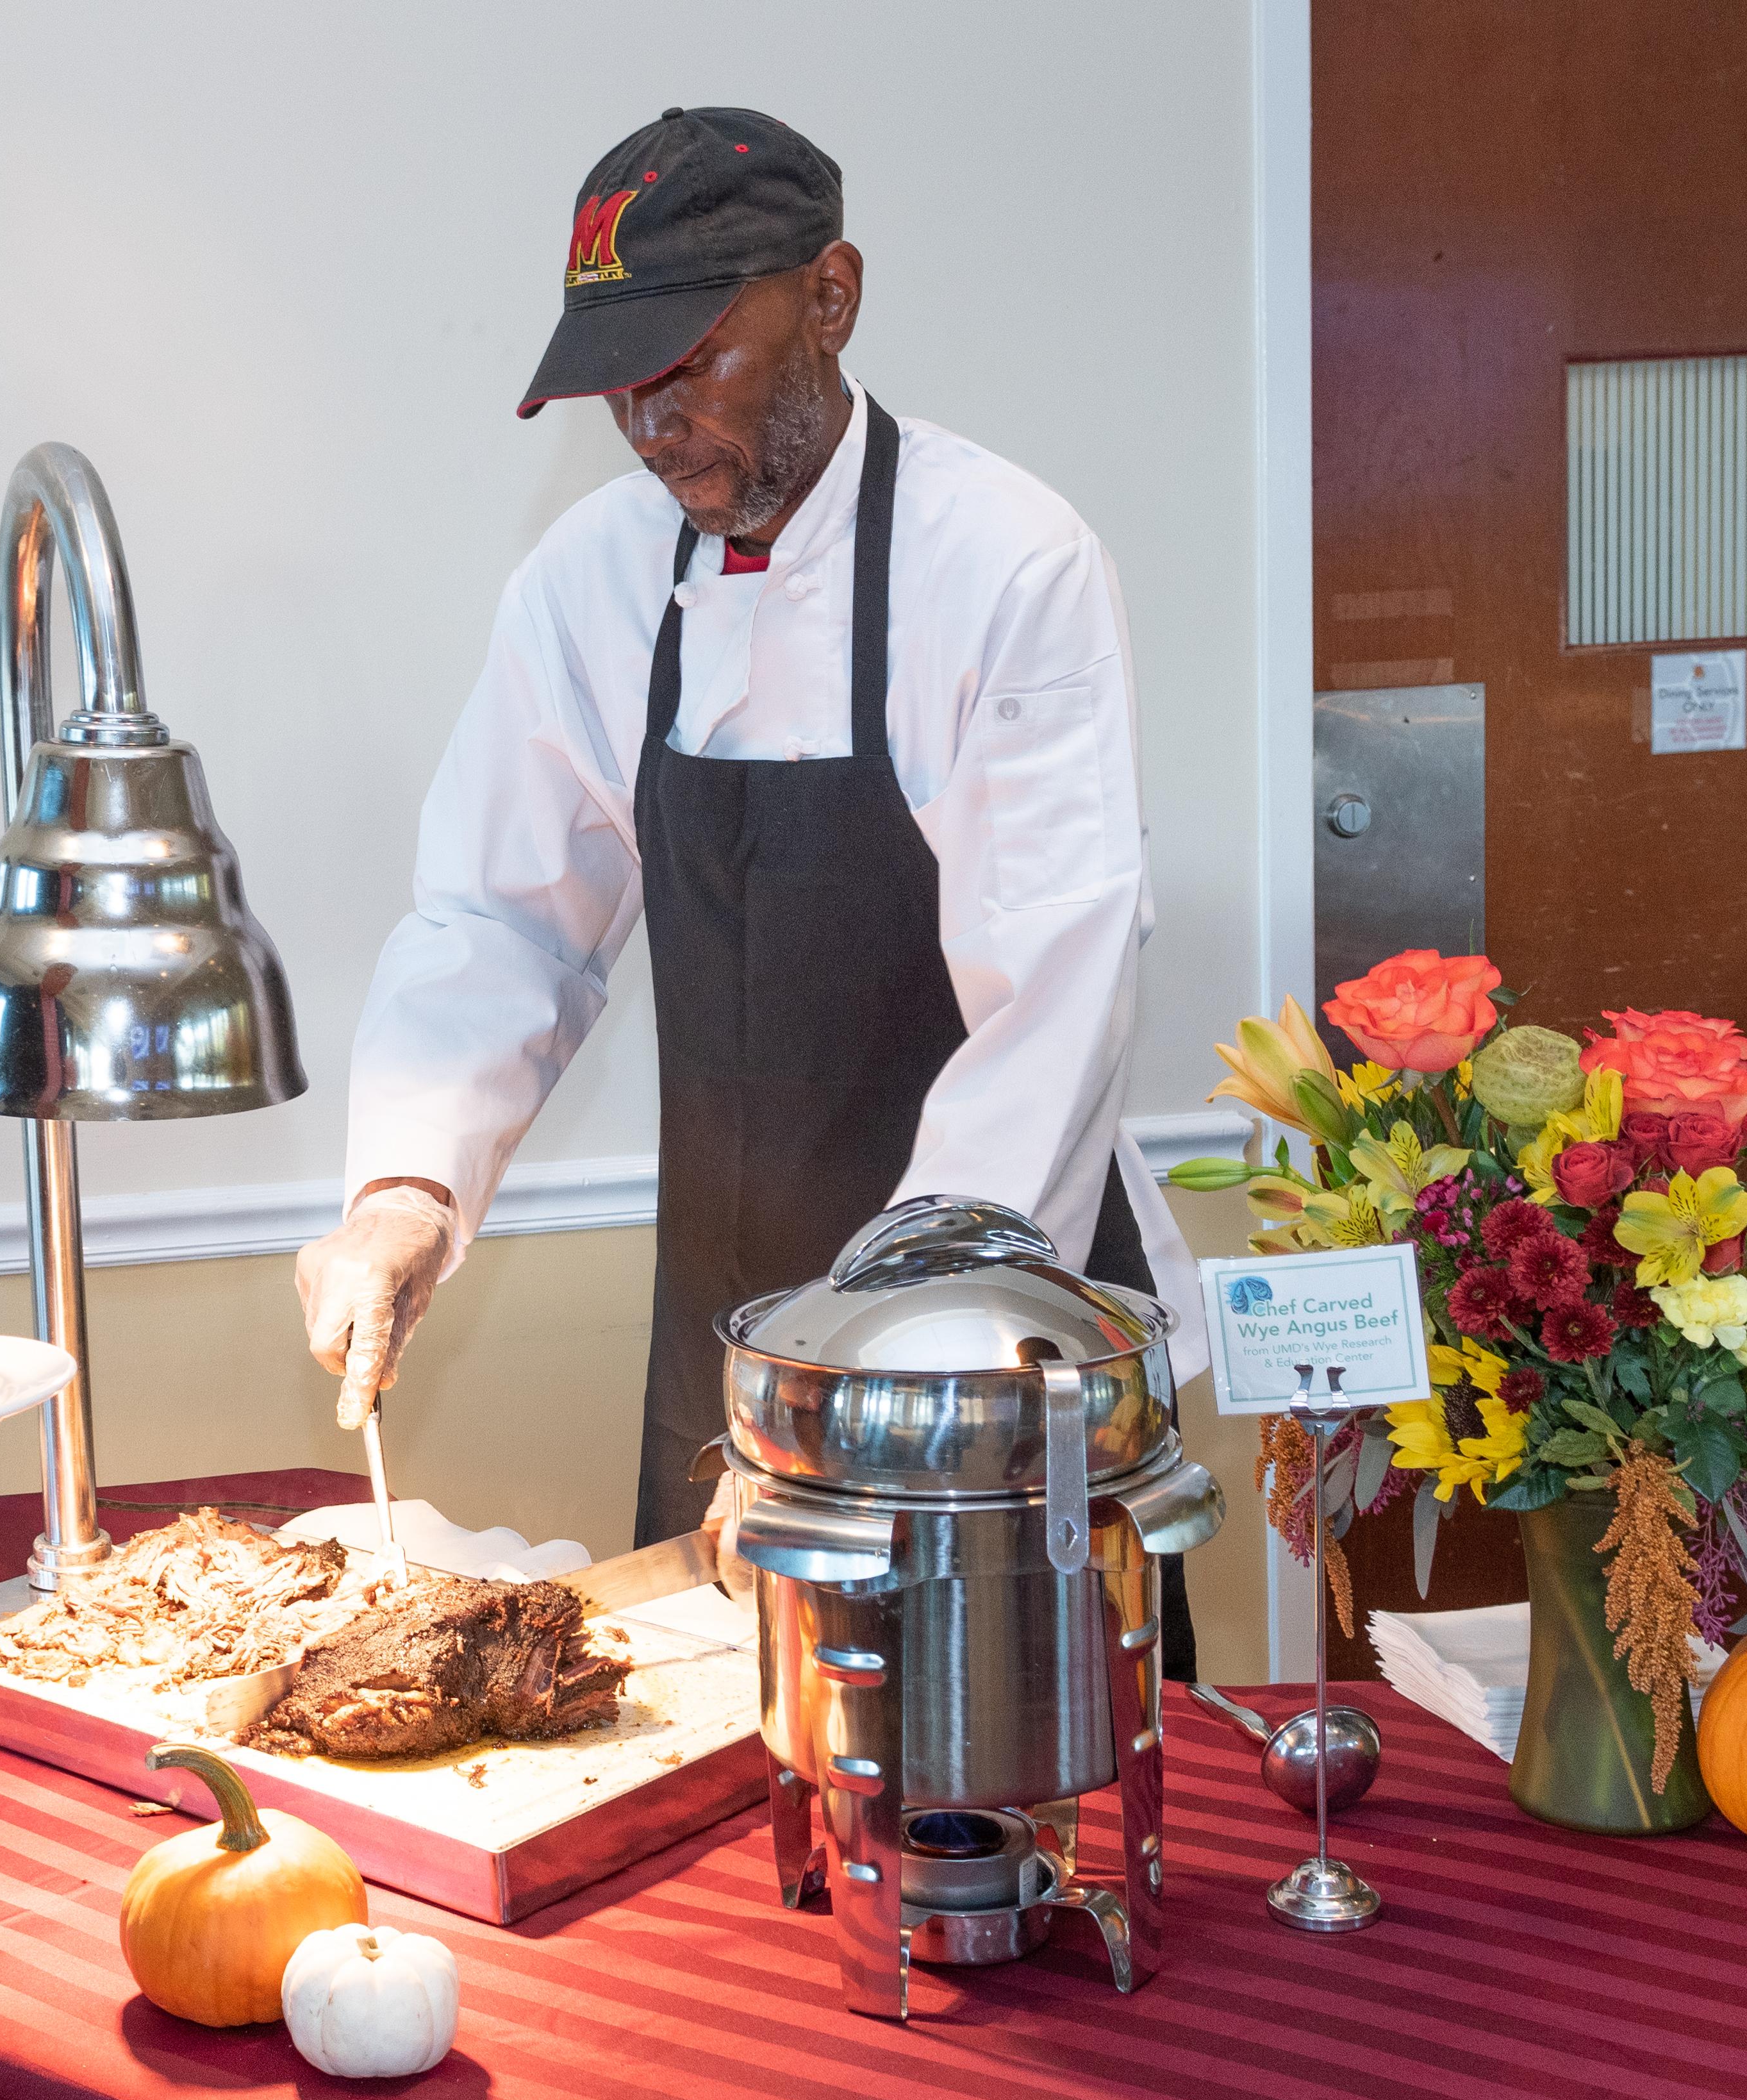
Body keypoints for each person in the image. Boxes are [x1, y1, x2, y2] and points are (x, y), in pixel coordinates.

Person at [296, 106, 1205, 1672]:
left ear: (832, 297)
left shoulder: (1004, 561)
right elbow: (502, 916)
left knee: (1020, 1791)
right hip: (725, 1321)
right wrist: (406, 1189)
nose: (652, 422)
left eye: (691, 362)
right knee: (730, 1825)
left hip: (985, 1325)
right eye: (620, 385)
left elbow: (1053, 987)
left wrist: (880, 1369)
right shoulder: (587, 578)